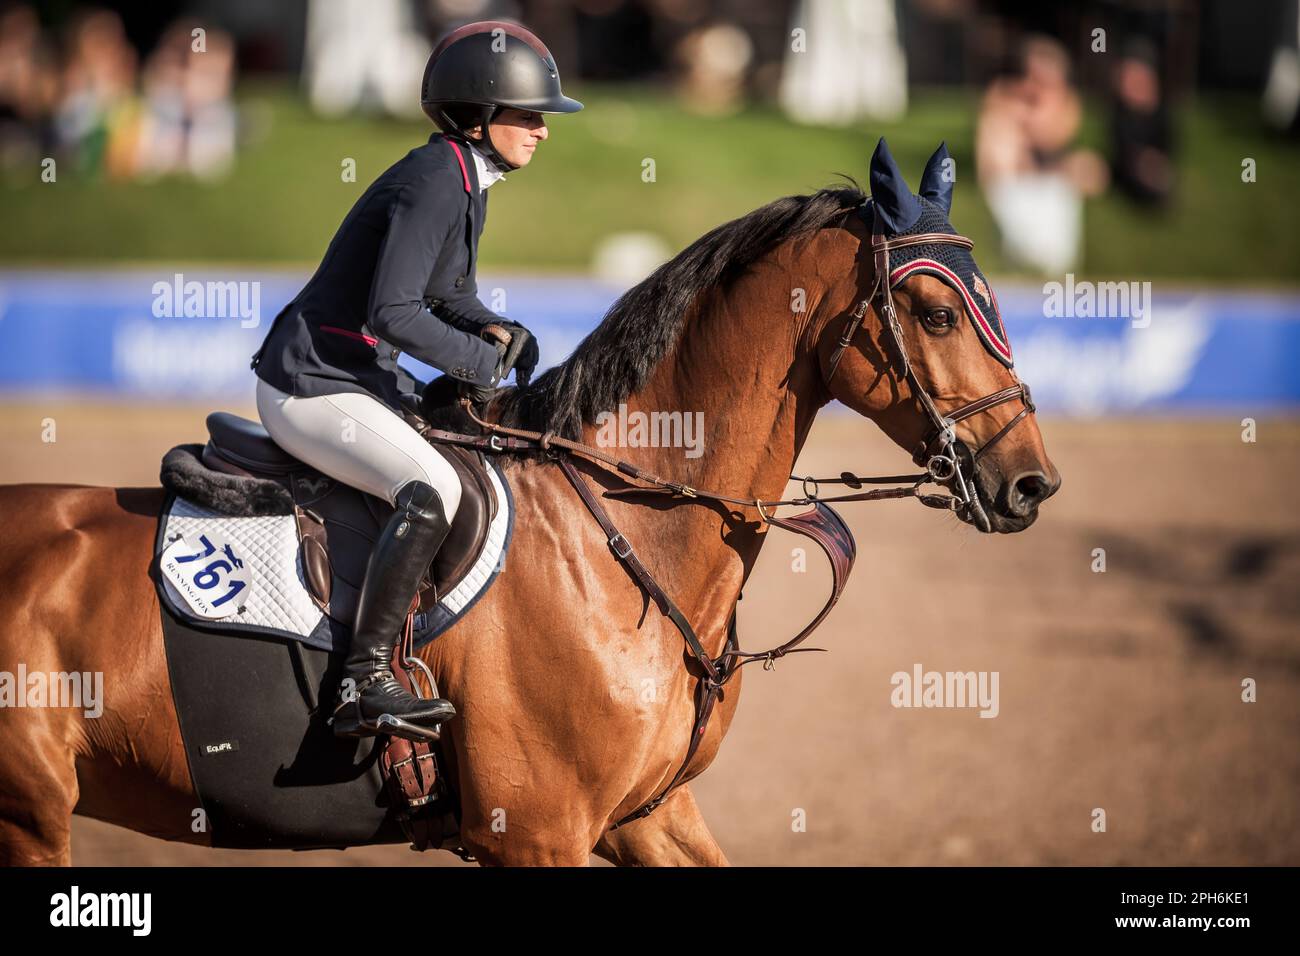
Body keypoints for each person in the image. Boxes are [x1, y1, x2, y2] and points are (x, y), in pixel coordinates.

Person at [249, 20, 582, 742]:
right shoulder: (437, 181)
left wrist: (495, 327)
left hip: (353, 375)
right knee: (431, 492)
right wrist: (474, 362)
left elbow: (444, 294)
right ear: (481, 113)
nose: (543, 132)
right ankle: (362, 682)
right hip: (310, 384)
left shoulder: (465, 177)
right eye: (529, 115)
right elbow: (393, 310)